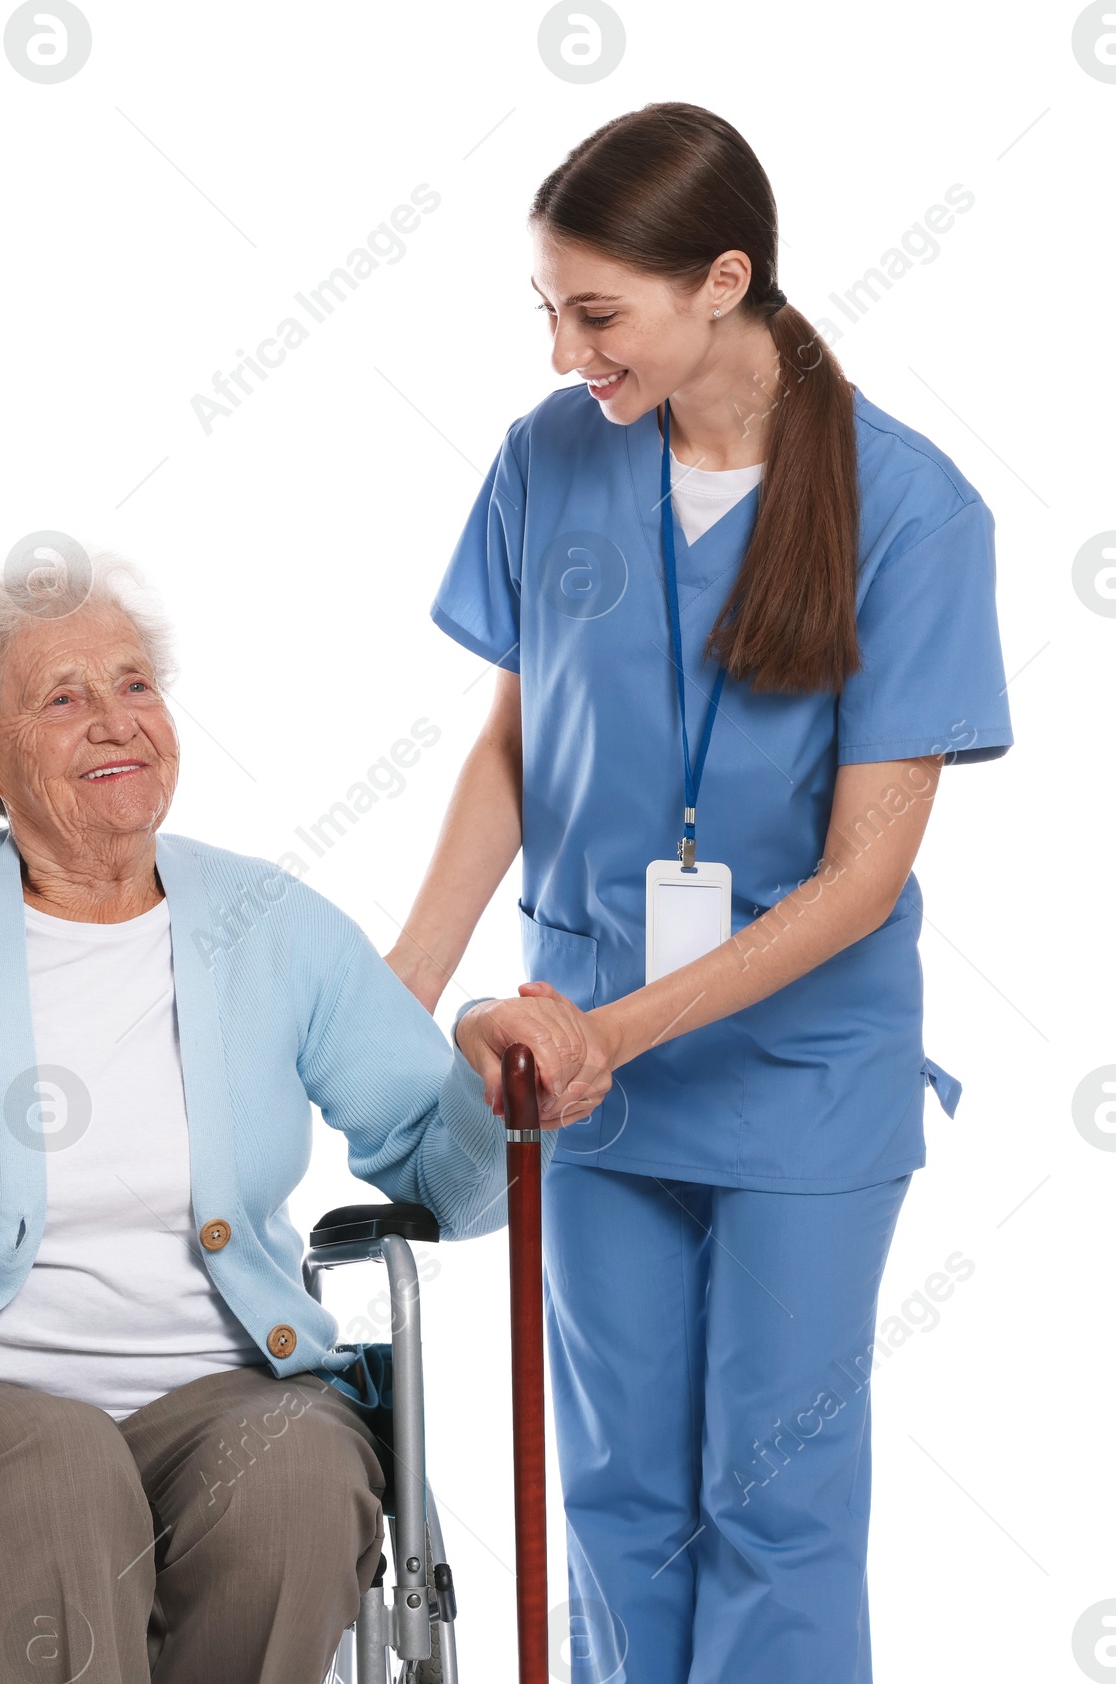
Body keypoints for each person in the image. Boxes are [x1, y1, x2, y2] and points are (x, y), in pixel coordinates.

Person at [0, 554, 592, 1684]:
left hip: (226, 1390)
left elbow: (448, 1182)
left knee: (300, 1474)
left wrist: (498, 1083)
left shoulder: (270, 923)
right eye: (63, 696)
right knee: (58, 1468)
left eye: (135, 685)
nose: (116, 722)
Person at [386, 103, 1012, 1684]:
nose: (561, 354)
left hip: (798, 1076)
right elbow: (512, 754)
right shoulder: (553, 459)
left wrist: (617, 1028)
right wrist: (399, 982)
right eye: (548, 309)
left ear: (723, 280)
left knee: (774, 1500)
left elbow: (864, 880)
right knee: (617, 1498)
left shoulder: (912, 508)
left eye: (596, 315)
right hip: (581, 1073)